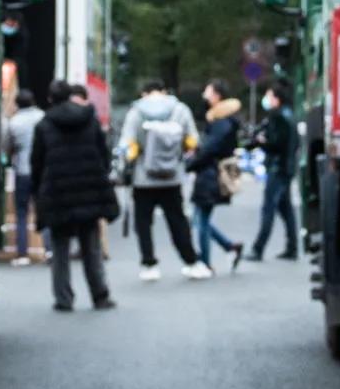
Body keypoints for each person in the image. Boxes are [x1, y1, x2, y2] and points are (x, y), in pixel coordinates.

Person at [31, 80, 119, 312]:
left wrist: (38, 193)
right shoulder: (89, 119)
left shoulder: (44, 125)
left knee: (60, 248)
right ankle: (100, 295)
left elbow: (37, 164)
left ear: (50, 99)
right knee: (91, 246)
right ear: (70, 96)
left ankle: (64, 298)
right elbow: (103, 154)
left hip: (58, 192)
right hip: (89, 190)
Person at [118, 79, 209, 280]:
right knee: (178, 221)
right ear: (164, 91)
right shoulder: (180, 110)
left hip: (143, 177)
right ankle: (191, 262)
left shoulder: (136, 112)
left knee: (143, 223)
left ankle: (149, 264)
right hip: (172, 176)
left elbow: (127, 145)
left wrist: (129, 164)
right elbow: (192, 141)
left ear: (144, 93)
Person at [188, 79, 244, 272]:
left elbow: (209, 149)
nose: (204, 95)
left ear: (217, 96)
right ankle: (229, 247)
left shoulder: (221, 122)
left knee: (201, 220)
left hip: (211, 174)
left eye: (208, 91)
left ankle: (205, 262)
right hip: (213, 172)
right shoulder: (224, 120)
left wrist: (192, 163)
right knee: (199, 219)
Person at [250, 80, 298, 261]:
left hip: (278, 167)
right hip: (286, 167)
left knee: (269, 207)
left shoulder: (279, 117)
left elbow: (277, 143)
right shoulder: (288, 115)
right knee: (285, 209)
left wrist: (263, 142)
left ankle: (258, 248)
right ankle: (292, 247)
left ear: (276, 99)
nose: (266, 99)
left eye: (269, 96)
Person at [2, 87, 44, 262]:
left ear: (17, 104)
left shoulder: (14, 122)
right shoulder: (43, 118)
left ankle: (22, 253)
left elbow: (7, 147)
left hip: (22, 170)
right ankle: (49, 250)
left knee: (21, 212)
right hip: (41, 170)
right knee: (43, 210)